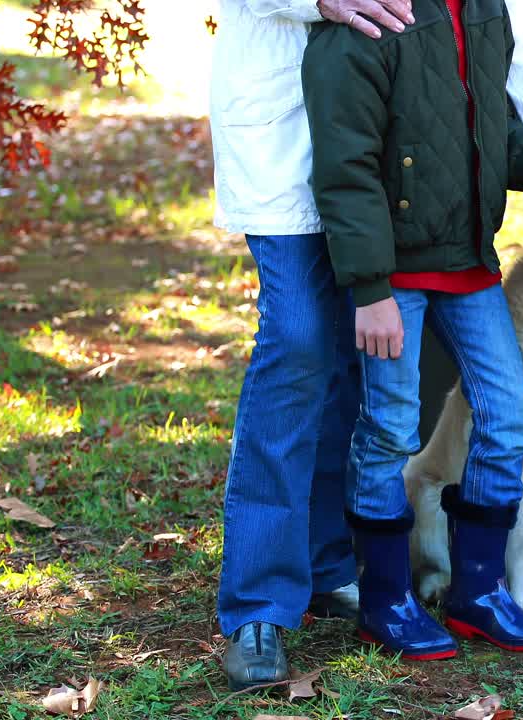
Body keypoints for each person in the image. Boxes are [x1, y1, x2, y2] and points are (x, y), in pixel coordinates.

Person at [302, 0, 523, 660]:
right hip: (395, 275)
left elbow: (489, 119)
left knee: (512, 416)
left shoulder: (485, 11)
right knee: (390, 426)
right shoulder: (367, 18)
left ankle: (478, 589)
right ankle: (385, 600)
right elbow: (344, 168)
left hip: (469, 262)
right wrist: (370, 289)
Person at [211, 0, 418, 691]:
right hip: (280, 132)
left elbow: (491, 24)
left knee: (354, 353)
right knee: (299, 341)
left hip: (384, 143)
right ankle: (259, 604)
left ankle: (327, 562)